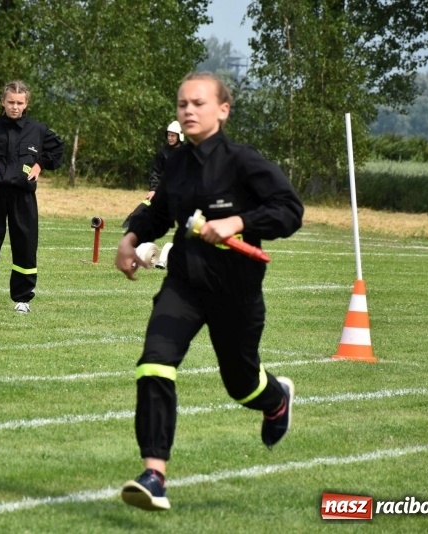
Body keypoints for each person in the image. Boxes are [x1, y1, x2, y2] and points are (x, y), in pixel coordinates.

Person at [114, 72, 304, 511]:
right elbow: (159, 210)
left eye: (198, 103)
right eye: (182, 104)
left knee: (241, 386)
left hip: (235, 291)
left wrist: (239, 223)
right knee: (154, 364)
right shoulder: (177, 162)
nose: (188, 111)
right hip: (183, 284)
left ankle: (277, 400)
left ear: (223, 110)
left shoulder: (243, 161)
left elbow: (290, 211)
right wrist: (130, 238)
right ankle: (154, 475)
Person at [0, 80, 64, 314]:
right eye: (10, 102)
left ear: (26, 104)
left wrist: (39, 165)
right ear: (3, 102)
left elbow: (57, 149)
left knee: (25, 247)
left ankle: (23, 299)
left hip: (23, 197)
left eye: (19, 103)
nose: (14, 107)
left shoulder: (38, 130)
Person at [122, 121, 184, 229]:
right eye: (168, 135)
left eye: (173, 136)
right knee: (148, 203)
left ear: (179, 136)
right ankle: (131, 221)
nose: (170, 138)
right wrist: (153, 189)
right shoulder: (162, 152)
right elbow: (155, 172)